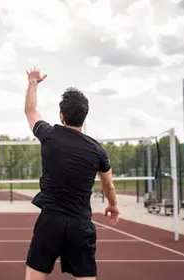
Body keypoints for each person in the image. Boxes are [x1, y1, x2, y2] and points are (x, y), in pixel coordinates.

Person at [23, 67, 119, 280]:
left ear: (61, 115)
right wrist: (112, 205)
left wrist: (32, 83)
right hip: (80, 224)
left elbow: (30, 111)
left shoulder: (49, 134)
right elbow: (108, 185)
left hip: (51, 221)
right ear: (84, 117)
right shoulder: (98, 150)